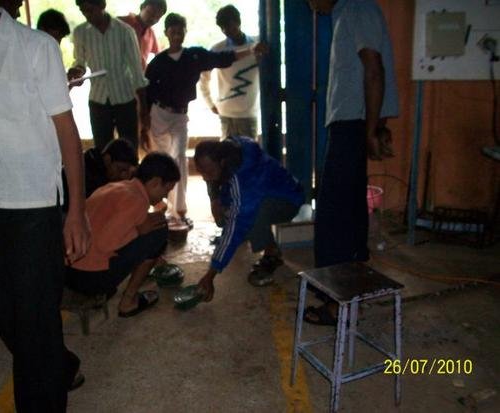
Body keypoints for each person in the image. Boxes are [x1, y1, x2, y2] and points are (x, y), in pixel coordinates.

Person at [0, 0, 91, 411]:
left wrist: (77, 211)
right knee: (1, 307)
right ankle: (58, 364)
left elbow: (67, 132)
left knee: (34, 318)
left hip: (34, 205)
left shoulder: (36, 47)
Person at [304, 0, 399, 325]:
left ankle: (336, 302)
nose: (311, 6)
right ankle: (351, 290)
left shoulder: (355, 8)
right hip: (354, 122)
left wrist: (372, 129)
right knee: (350, 209)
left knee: (335, 216)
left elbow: (374, 68)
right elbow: (369, 70)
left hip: (352, 124)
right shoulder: (350, 10)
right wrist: (375, 125)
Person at [144, 13, 266, 227]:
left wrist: (251, 51)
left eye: (180, 31)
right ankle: (160, 207)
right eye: (173, 32)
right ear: (166, 34)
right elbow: (146, 92)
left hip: (180, 115)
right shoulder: (158, 62)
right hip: (158, 114)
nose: (177, 35)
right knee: (161, 160)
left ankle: (179, 211)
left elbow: (224, 59)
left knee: (179, 158)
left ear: (185, 33)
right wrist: (143, 122)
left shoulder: (194, 56)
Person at [66, 152, 179, 316]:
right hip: (89, 279)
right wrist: (139, 231)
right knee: (159, 230)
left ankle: (143, 267)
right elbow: (105, 243)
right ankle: (128, 301)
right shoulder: (137, 200)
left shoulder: (116, 187)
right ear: (155, 182)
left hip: (68, 271)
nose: (165, 196)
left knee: (147, 228)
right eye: (166, 190)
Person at [194, 136, 304, 301]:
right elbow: (219, 181)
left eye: (209, 173)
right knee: (228, 216)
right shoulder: (230, 152)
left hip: (288, 200)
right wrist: (215, 199)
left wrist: (211, 274)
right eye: (202, 173)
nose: (205, 178)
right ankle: (248, 234)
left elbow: (237, 220)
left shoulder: (247, 179)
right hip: (265, 193)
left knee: (248, 218)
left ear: (223, 163)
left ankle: (272, 253)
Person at [68, 0, 148, 156]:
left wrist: (144, 110)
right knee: (102, 151)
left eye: (90, 10)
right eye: (83, 11)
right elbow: (80, 62)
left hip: (124, 99)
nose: (87, 15)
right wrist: (77, 72)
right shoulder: (80, 32)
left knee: (129, 148)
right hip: (98, 101)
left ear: (102, 6)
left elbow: (137, 72)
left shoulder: (125, 31)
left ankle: (130, 172)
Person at [199, 5, 260, 140]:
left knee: (249, 151)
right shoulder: (217, 49)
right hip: (226, 113)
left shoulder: (257, 45)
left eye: (229, 26)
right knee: (227, 152)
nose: (226, 31)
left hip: (248, 112)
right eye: (223, 28)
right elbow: (203, 78)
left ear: (238, 22)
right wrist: (209, 103)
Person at [62, 138, 138, 212]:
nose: (122, 176)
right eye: (120, 169)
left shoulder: (94, 164)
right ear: (107, 159)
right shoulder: (89, 174)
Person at [119, 0, 167, 69]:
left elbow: (159, 56)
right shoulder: (122, 23)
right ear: (142, 7)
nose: (153, 19)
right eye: (150, 13)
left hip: (139, 74)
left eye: (158, 17)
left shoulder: (150, 33)